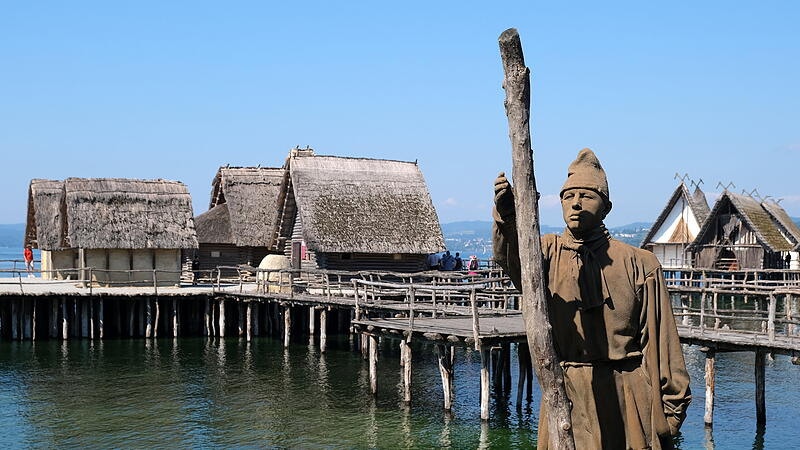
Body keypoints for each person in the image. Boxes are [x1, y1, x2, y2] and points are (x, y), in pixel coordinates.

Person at [493, 148, 690, 449]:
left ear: (606, 206)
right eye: (568, 196)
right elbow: (514, 262)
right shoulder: (544, 253)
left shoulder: (640, 263)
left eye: (586, 196)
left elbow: (661, 343)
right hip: (566, 396)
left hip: (628, 402)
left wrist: (670, 415)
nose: (575, 203)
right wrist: (508, 218)